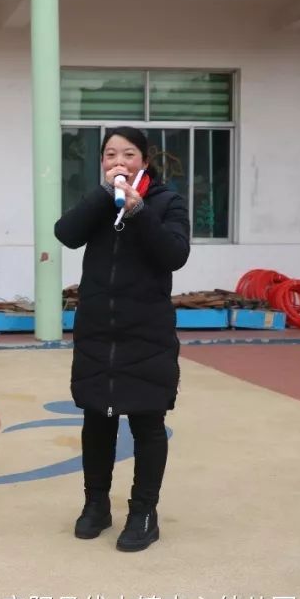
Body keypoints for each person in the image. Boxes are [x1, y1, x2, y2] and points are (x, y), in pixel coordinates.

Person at [54, 126, 191, 552]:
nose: (118, 161)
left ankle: (143, 513)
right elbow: (66, 233)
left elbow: (175, 254)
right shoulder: (98, 202)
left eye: (127, 154)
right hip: (98, 330)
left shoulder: (167, 202)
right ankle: (95, 506)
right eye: (110, 154)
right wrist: (103, 197)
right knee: (97, 419)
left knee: (148, 423)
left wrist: (138, 213)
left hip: (145, 331)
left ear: (144, 161)